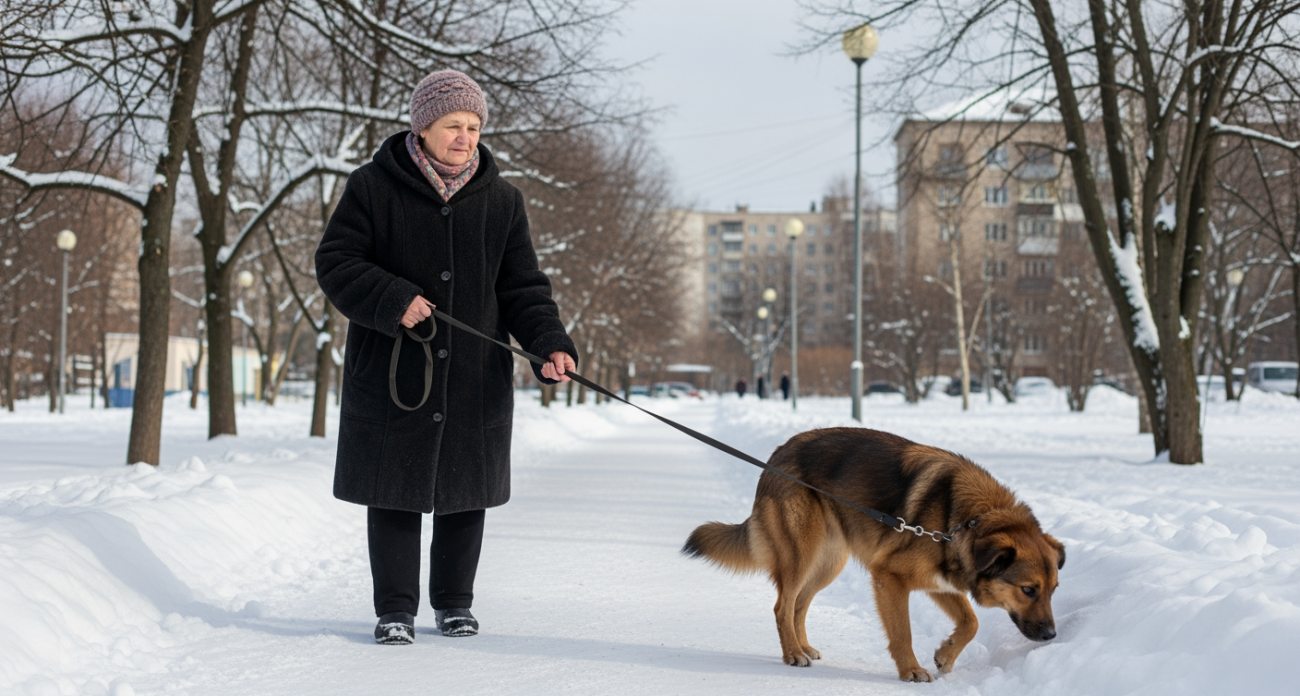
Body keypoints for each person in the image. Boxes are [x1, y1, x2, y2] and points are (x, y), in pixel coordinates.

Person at [315, 69, 577, 646]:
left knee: (465, 495)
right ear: (424, 126)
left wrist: (550, 344)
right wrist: (392, 297)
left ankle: (455, 604)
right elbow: (335, 262)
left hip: (471, 377)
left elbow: (523, 288)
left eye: (474, 126)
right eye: (454, 125)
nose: (465, 136)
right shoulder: (372, 188)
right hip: (393, 372)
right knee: (394, 494)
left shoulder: (503, 202)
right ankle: (395, 611)